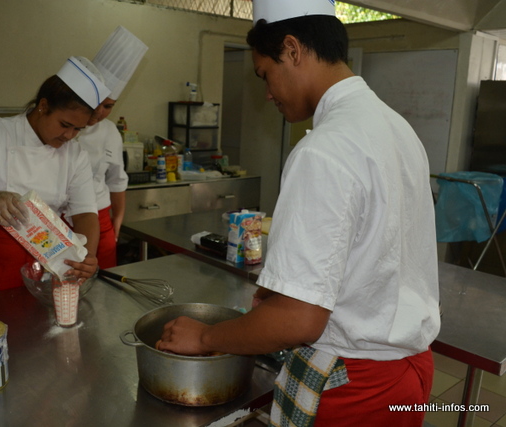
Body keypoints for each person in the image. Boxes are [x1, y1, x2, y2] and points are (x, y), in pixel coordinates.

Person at [156, 1, 441, 425]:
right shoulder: (395, 127)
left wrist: (205, 335)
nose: (267, 93)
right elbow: (371, 255)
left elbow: (300, 320)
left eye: (265, 75)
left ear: (292, 49)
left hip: (354, 386)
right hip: (408, 374)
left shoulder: (324, 149)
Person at [0, 57, 110, 298]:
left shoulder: (75, 154)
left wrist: (87, 257)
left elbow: (84, 212)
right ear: (43, 106)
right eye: (64, 124)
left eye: (78, 129)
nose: (69, 135)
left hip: (49, 267)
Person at [77, 26, 148, 269]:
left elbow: (116, 180)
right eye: (95, 103)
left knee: (102, 285)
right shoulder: (63, 128)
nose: (99, 112)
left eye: (108, 106)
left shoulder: (109, 132)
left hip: (101, 217)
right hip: (61, 219)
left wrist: (116, 220)